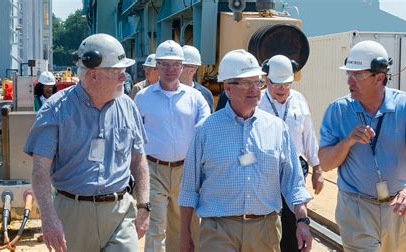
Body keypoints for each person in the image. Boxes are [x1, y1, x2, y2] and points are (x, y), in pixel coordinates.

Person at [24, 33, 151, 252]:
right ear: (93, 75)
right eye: (117, 72)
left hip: (120, 212)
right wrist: (48, 217)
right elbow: (40, 169)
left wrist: (143, 205)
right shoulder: (55, 110)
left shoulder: (128, 107)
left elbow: (139, 161)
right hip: (73, 216)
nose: (125, 77)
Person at [179, 49, 313, 252]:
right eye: (246, 83)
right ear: (228, 88)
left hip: (265, 232)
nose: (255, 89)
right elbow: (189, 188)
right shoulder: (206, 130)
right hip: (218, 230)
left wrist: (302, 221)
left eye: (257, 82)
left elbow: (294, 183)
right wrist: (185, 235)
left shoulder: (277, 129)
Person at [318, 40, 406, 252]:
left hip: (396, 208)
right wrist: (348, 141)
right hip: (355, 208)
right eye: (348, 74)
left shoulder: (405, 106)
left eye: (357, 75)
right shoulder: (338, 110)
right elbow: (324, 163)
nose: (350, 81)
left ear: (379, 77)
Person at [134, 40, 210, 252]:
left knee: (183, 225)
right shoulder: (142, 98)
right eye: (164, 64)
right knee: (155, 226)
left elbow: (205, 132)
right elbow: (134, 136)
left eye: (175, 64)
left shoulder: (195, 98)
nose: (170, 69)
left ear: (183, 67)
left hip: (187, 170)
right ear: (156, 66)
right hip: (153, 170)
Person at [258, 54, 324, 252]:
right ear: (267, 80)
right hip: (266, 168)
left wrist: (317, 169)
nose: (281, 89)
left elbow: (309, 135)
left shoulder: (299, 100)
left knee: (293, 215)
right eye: (276, 84)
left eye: (286, 84)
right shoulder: (257, 102)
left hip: (296, 166)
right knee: (267, 215)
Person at [179, 45, 214, 112]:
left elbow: (209, 121)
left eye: (180, 65)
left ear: (193, 69)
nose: (174, 68)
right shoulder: (168, 91)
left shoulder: (205, 94)